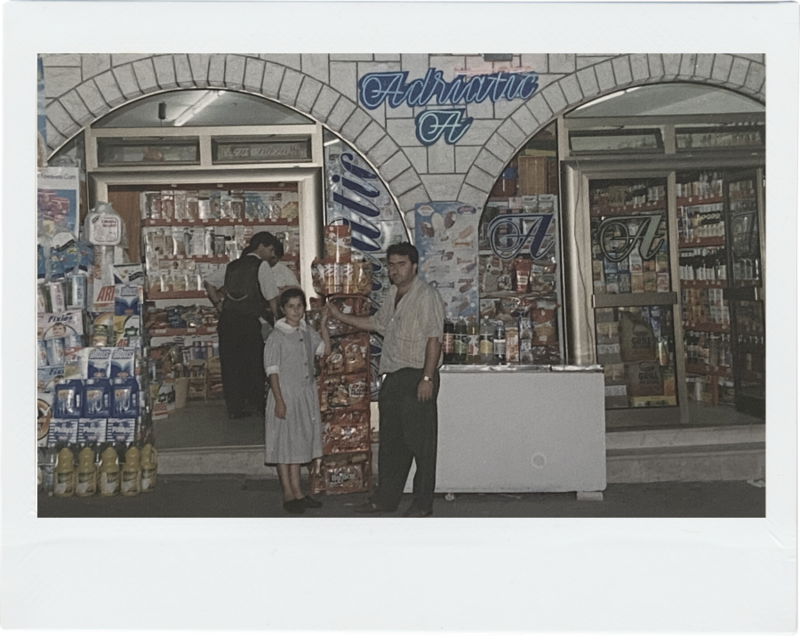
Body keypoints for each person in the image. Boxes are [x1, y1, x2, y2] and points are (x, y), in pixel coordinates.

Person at [327, 242, 444, 517]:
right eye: (391, 265)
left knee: (422, 447)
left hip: (417, 375)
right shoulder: (393, 294)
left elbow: (433, 339)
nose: (395, 270)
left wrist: (427, 377)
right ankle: (385, 500)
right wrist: (339, 316)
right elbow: (377, 324)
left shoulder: (427, 296)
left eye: (401, 264)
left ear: (414, 266)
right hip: (392, 376)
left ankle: (422, 504)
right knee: (392, 445)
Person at [264, 288, 331, 514]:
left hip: (305, 394)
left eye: (299, 306)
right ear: (283, 309)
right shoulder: (277, 337)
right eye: (291, 306)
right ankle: (288, 492)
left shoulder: (306, 331)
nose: (296, 311)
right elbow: (272, 371)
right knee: (285, 444)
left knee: (298, 443)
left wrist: (322, 326)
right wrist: (279, 400)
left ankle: (299, 492)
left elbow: (324, 351)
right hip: (285, 395)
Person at [204, 232, 280, 419]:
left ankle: (235, 409)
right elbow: (272, 299)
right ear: (260, 246)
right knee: (254, 364)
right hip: (248, 322)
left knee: (231, 365)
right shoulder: (261, 266)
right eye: (270, 250)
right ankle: (257, 404)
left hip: (228, 320)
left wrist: (218, 304)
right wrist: (279, 322)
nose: (271, 255)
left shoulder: (232, 266)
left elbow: (209, 283)